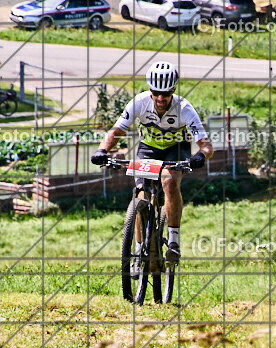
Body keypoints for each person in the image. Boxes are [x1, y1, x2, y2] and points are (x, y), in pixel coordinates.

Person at [91, 62, 214, 268]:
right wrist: (102, 150)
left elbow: (206, 145)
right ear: (150, 90)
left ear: (173, 90)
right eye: (155, 93)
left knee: (169, 180)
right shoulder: (138, 103)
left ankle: (173, 240)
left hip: (176, 149)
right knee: (140, 195)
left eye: (165, 94)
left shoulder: (184, 108)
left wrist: (200, 156)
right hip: (148, 149)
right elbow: (115, 132)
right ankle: (139, 250)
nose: (159, 98)